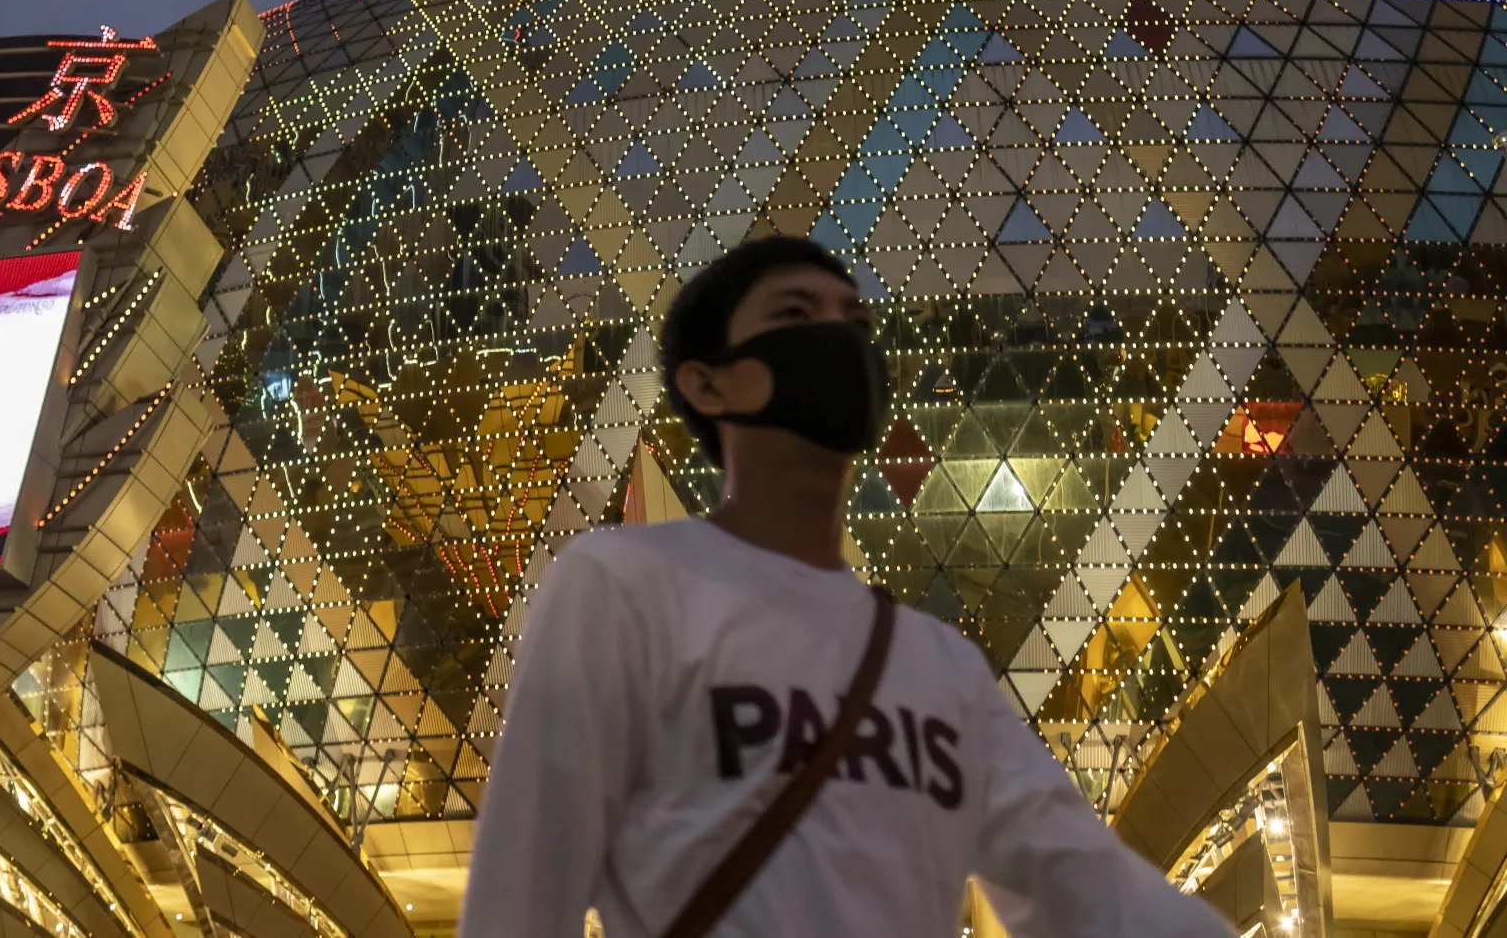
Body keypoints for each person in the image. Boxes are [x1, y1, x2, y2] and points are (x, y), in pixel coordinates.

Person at [458, 236, 1230, 936]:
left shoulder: (940, 665)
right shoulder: (623, 588)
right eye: (796, 315)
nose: (840, 340)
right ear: (707, 384)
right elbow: (522, 898)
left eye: (856, 323)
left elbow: (1095, 893)